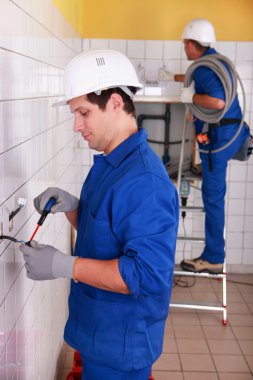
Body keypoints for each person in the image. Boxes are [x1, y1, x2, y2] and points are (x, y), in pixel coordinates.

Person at [19, 50, 179, 380]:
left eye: (83, 112)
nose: (77, 126)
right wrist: (73, 208)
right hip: (98, 332)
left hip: (121, 345)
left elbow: (145, 276)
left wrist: (63, 265)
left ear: (116, 103)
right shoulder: (109, 162)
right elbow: (107, 233)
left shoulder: (145, 182)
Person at [160, 18, 251, 274]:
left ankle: (213, 256)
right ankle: (213, 252)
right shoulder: (217, 61)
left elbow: (218, 102)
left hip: (218, 141)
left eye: (184, 43)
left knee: (213, 198)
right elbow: (202, 83)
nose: (184, 48)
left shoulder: (203, 68)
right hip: (231, 134)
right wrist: (175, 78)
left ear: (191, 43)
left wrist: (193, 98)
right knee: (214, 194)